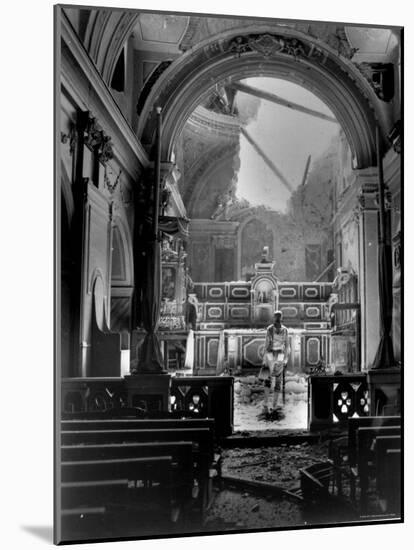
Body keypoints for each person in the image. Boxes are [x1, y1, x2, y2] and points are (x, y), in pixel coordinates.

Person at [259, 310, 290, 414]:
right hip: (270, 354)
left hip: (280, 355)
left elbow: (287, 345)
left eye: (279, 317)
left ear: (281, 318)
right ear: (274, 318)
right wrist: (265, 358)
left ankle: (274, 405)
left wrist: (285, 358)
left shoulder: (285, 330)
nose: (277, 319)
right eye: (276, 317)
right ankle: (266, 403)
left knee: (278, 381)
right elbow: (267, 344)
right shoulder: (269, 329)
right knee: (267, 380)